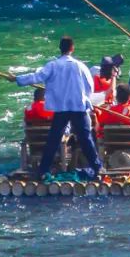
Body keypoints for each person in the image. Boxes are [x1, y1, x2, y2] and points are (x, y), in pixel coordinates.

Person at [14, 36, 104, 178]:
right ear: (72, 48)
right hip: (78, 107)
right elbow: (90, 87)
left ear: (60, 48)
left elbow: (37, 77)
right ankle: (98, 168)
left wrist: (17, 79)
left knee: (53, 139)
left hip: (61, 108)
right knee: (86, 139)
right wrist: (83, 98)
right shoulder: (80, 66)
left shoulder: (53, 65)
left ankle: (43, 170)